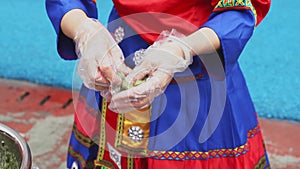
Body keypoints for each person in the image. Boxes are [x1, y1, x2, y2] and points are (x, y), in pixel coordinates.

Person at [46, 0, 271, 168]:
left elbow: (240, 10)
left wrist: (183, 49)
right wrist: (84, 29)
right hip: (118, 53)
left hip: (195, 63)